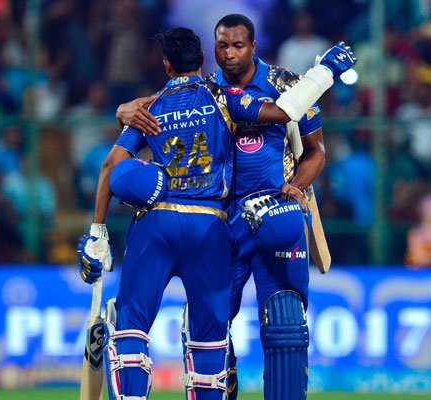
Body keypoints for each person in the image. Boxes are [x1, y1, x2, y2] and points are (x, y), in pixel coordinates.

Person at [78, 27, 354, 400]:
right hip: (212, 223)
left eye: (237, 45)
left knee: (131, 329)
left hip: (158, 222)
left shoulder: (151, 106)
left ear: (165, 64)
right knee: (210, 338)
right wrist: (325, 71)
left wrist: (98, 231)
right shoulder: (224, 96)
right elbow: (286, 110)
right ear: (206, 58)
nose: (230, 53)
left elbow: (112, 165)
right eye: (222, 46)